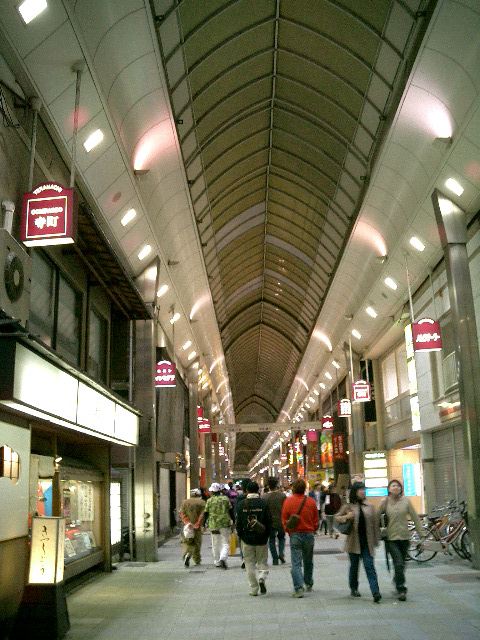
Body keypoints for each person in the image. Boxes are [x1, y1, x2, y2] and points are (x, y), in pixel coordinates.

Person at [335, 481, 382, 603]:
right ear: (355, 492)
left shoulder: (370, 506)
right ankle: (354, 588)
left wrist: (376, 540)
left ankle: (375, 592)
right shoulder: (348, 506)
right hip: (354, 542)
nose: (362, 491)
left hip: (367, 543)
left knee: (369, 566)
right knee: (354, 567)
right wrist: (347, 517)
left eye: (363, 489)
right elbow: (337, 517)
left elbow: (375, 525)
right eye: (360, 489)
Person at [379, 479, 424, 601]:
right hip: (391, 538)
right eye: (393, 486)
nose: (396, 487)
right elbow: (377, 517)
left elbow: (415, 518)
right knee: (398, 563)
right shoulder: (384, 502)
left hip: (404, 537)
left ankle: (397, 579)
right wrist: (377, 532)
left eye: (398, 486)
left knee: (402, 564)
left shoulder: (406, 501)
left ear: (401, 489)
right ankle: (401, 589)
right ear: (389, 489)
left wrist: (422, 534)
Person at [281, 478, 318, 597]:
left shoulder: (288, 501)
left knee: (296, 562)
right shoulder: (311, 502)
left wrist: (289, 531)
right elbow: (316, 519)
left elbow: (284, 519)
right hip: (309, 534)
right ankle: (308, 582)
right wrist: (313, 529)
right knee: (308, 560)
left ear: (293, 488)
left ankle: (298, 588)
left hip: (295, 535)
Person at [236, 481, 272, 596]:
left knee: (249, 563)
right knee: (262, 561)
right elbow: (269, 521)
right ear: (258, 490)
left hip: (247, 539)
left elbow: (238, 524)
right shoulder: (263, 503)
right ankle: (262, 576)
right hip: (261, 538)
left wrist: (241, 535)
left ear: (246, 491)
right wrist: (267, 535)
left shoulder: (241, 505)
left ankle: (254, 589)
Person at [203, 482, 233, 569]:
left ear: (212, 491)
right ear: (220, 491)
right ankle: (223, 557)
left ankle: (217, 562)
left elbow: (206, 513)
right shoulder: (225, 499)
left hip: (213, 524)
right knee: (225, 542)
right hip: (225, 523)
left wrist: (204, 524)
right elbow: (231, 511)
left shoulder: (209, 500)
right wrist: (233, 521)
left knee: (215, 543)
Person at [179, 488, 205, 567]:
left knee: (187, 541)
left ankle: (187, 554)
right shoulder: (202, 502)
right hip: (197, 527)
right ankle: (197, 560)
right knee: (197, 542)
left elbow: (182, 513)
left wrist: (187, 523)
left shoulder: (184, 502)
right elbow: (202, 514)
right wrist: (197, 524)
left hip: (187, 527)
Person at [263, 476, 286, 564]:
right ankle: (281, 553)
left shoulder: (264, 497)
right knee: (281, 538)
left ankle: (275, 559)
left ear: (268, 486)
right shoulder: (282, 496)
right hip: (281, 520)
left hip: (270, 522)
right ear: (277, 485)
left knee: (271, 540)